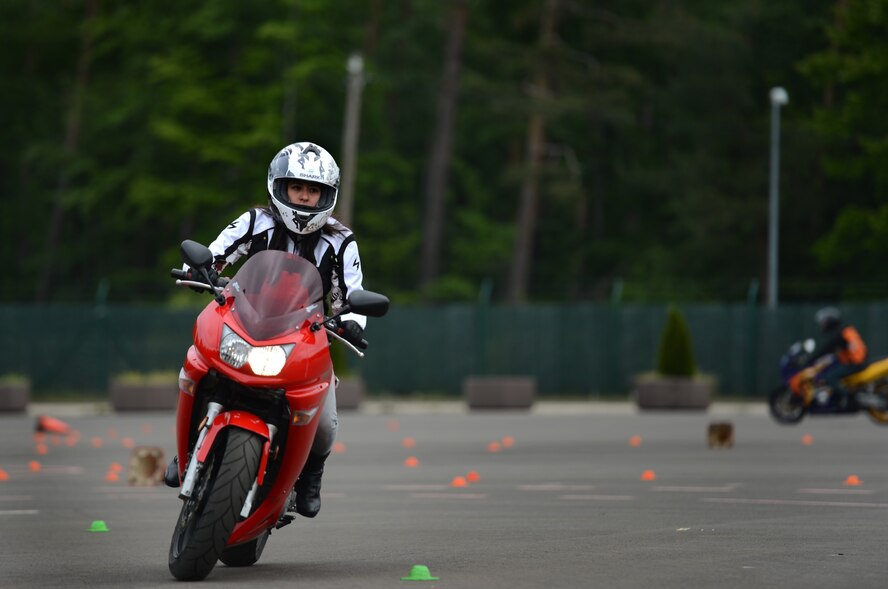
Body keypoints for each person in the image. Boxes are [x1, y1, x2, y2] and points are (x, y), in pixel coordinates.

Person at [167, 141, 365, 519]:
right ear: (280, 187)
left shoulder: (341, 242)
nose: (304, 197)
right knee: (196, 368)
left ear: (327, 196)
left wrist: (353, 321)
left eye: (313, 191)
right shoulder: (255, 221)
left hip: (304, 334)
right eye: (297, 188)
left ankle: (310, 477)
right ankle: (185, 449)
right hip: (243, 320)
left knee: (325, 422)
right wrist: (202, 269)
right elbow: (218, 252)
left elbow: (352, 292)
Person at [808, 306, 868, 407]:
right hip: (856, 361)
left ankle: (849, 398)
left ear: (830, 321)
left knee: (830, 377)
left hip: (855, 363)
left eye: (824, 322)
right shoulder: (843, 330)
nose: (822, 325)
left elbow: (827, 349)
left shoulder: (838, 334)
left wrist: (810, 359)